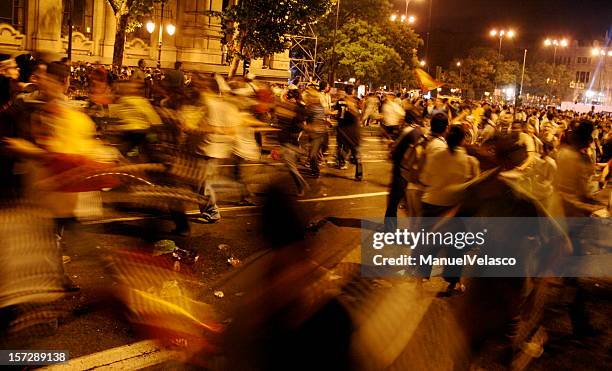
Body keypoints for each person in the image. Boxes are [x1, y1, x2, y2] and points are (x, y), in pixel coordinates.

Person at [334, 85, 362, 181]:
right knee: (356, 151)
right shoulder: (357, 101)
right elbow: (359, 114)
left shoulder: (340, 101)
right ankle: (359, 174)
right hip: (354, 129)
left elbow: (337, 113)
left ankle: (341, 161)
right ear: (353, 91)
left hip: (342, 128)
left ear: (345, 91)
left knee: (341, 146)